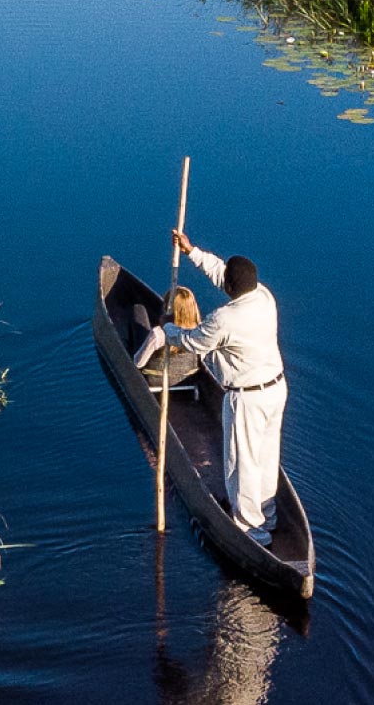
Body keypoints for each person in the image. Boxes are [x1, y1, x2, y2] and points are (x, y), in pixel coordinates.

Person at [135, 229, 285, 543]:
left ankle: (250, 530)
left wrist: (167, 328)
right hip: (276, 390)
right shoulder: (263, 296)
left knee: (242, 461)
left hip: (247, 398)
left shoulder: (224, 319)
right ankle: (267, 516)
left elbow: (192, 341)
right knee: (267, 456)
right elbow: (222, 273)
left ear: (231, 288)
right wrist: (192, 252)